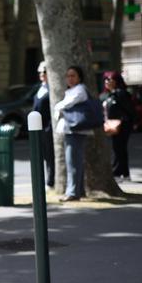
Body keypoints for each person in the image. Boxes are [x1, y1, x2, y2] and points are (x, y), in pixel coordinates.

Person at [53, 65, 91, 202]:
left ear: (79, 77)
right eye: (68, 76)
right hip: (71, 130)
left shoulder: (80, 90)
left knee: (72, 161)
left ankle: (73, 192)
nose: (70, 78)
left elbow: (66, 104)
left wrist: (58, 106)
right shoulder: (72, 90)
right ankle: (78, 190)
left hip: (75, 130)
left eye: (73, 75)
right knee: (75, 160)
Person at [101, 70, 134, 180]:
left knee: (119, 148)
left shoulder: (121, 94)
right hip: (111, 125)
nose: (107, 82)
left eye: (109, 79)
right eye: (105, 79)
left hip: (122, 125)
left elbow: (129, 109)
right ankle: (123, 173)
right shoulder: (108, 95)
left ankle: (118, 173)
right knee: (118, 148)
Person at [32, 61, 55, 188]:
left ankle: (51, 181)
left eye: (44, 72)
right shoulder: (40, 88)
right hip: (38, 127)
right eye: (40, 72)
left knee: (50, 155)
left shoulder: (52, 89)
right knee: (43, 155)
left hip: (48, 127)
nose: (42, 74)